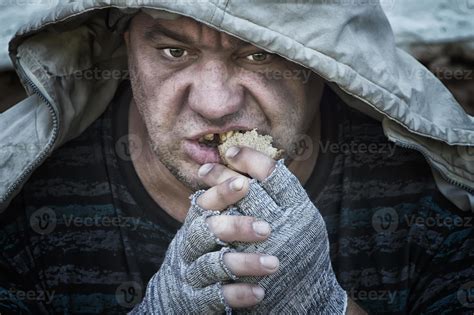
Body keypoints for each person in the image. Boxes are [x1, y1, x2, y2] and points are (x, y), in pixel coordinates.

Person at [0, 1, 473, 314]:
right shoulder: (30, 202)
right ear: (127, 48)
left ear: (323, 63)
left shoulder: (427, 191)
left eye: (258, 56)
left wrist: (325, 306)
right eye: (173, 50)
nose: (214, 103)